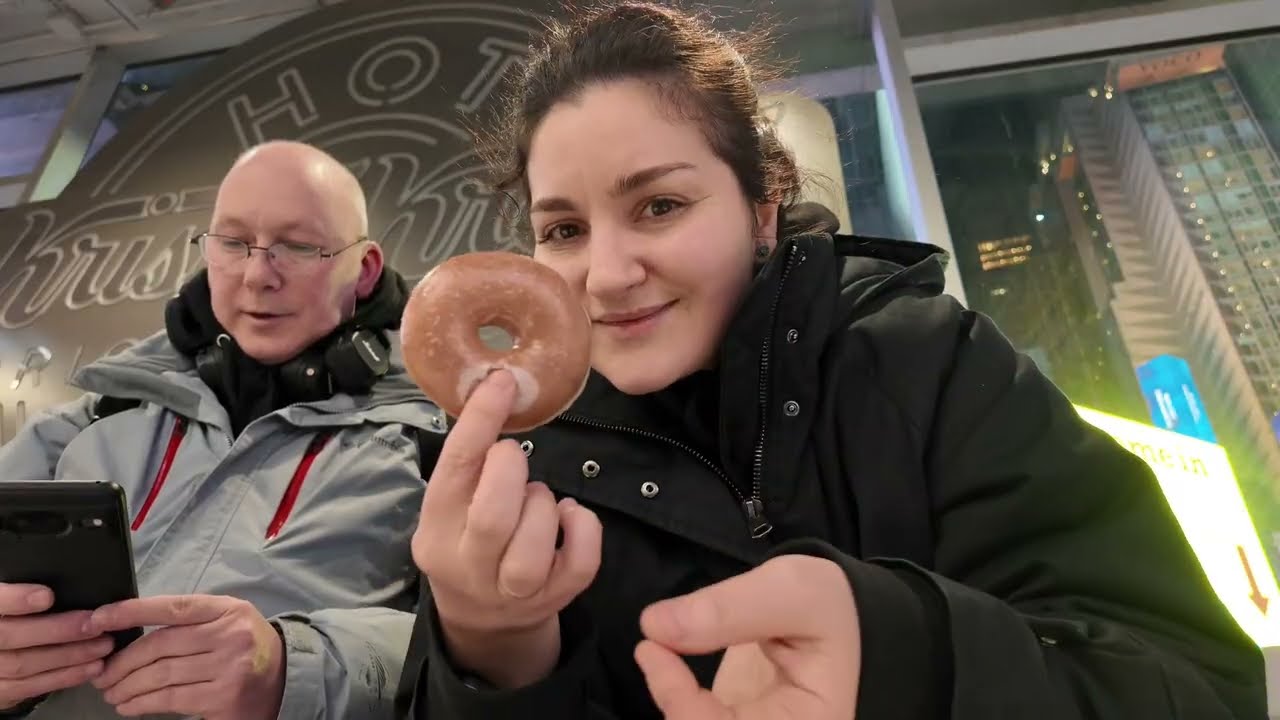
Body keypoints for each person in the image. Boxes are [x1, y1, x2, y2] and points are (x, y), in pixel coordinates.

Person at [395, 3, 1267, 719]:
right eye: (565, 230)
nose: (610, 274)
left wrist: (905, 664)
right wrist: (486, 659)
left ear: (762, 208)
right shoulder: (523, 480)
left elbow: (1193, 685)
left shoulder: (930, 364)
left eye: (660, 205)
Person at [0, 140, 442, 719]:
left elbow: (482, 659)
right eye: (234, 243)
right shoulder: (99, 411)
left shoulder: (435, 438)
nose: (258, 275)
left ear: (363, 270)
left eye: (298, 246)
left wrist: (294, 670)